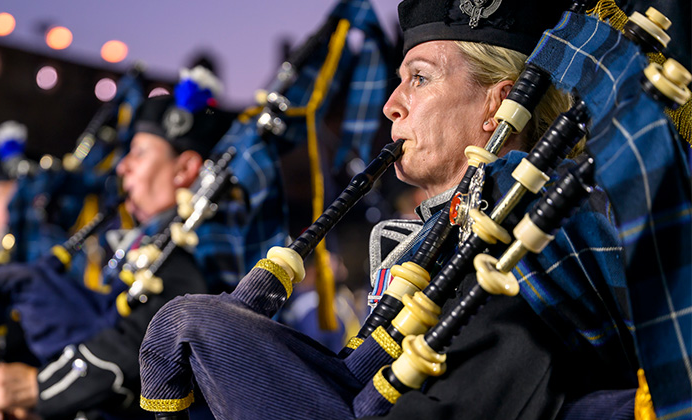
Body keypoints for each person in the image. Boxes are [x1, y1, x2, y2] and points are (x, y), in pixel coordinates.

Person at [136, 1, 638, 419]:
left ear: (497, 105)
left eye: (419, 79)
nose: (392, 105)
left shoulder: (536, 232)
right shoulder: (443, 236)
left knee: (188, 323)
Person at [0, 68, 244, 420]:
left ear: (184, 170)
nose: (123, 168)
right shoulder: (151, 246)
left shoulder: (198, 250)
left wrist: (38, 388)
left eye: (140, 153)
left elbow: (146, 343)